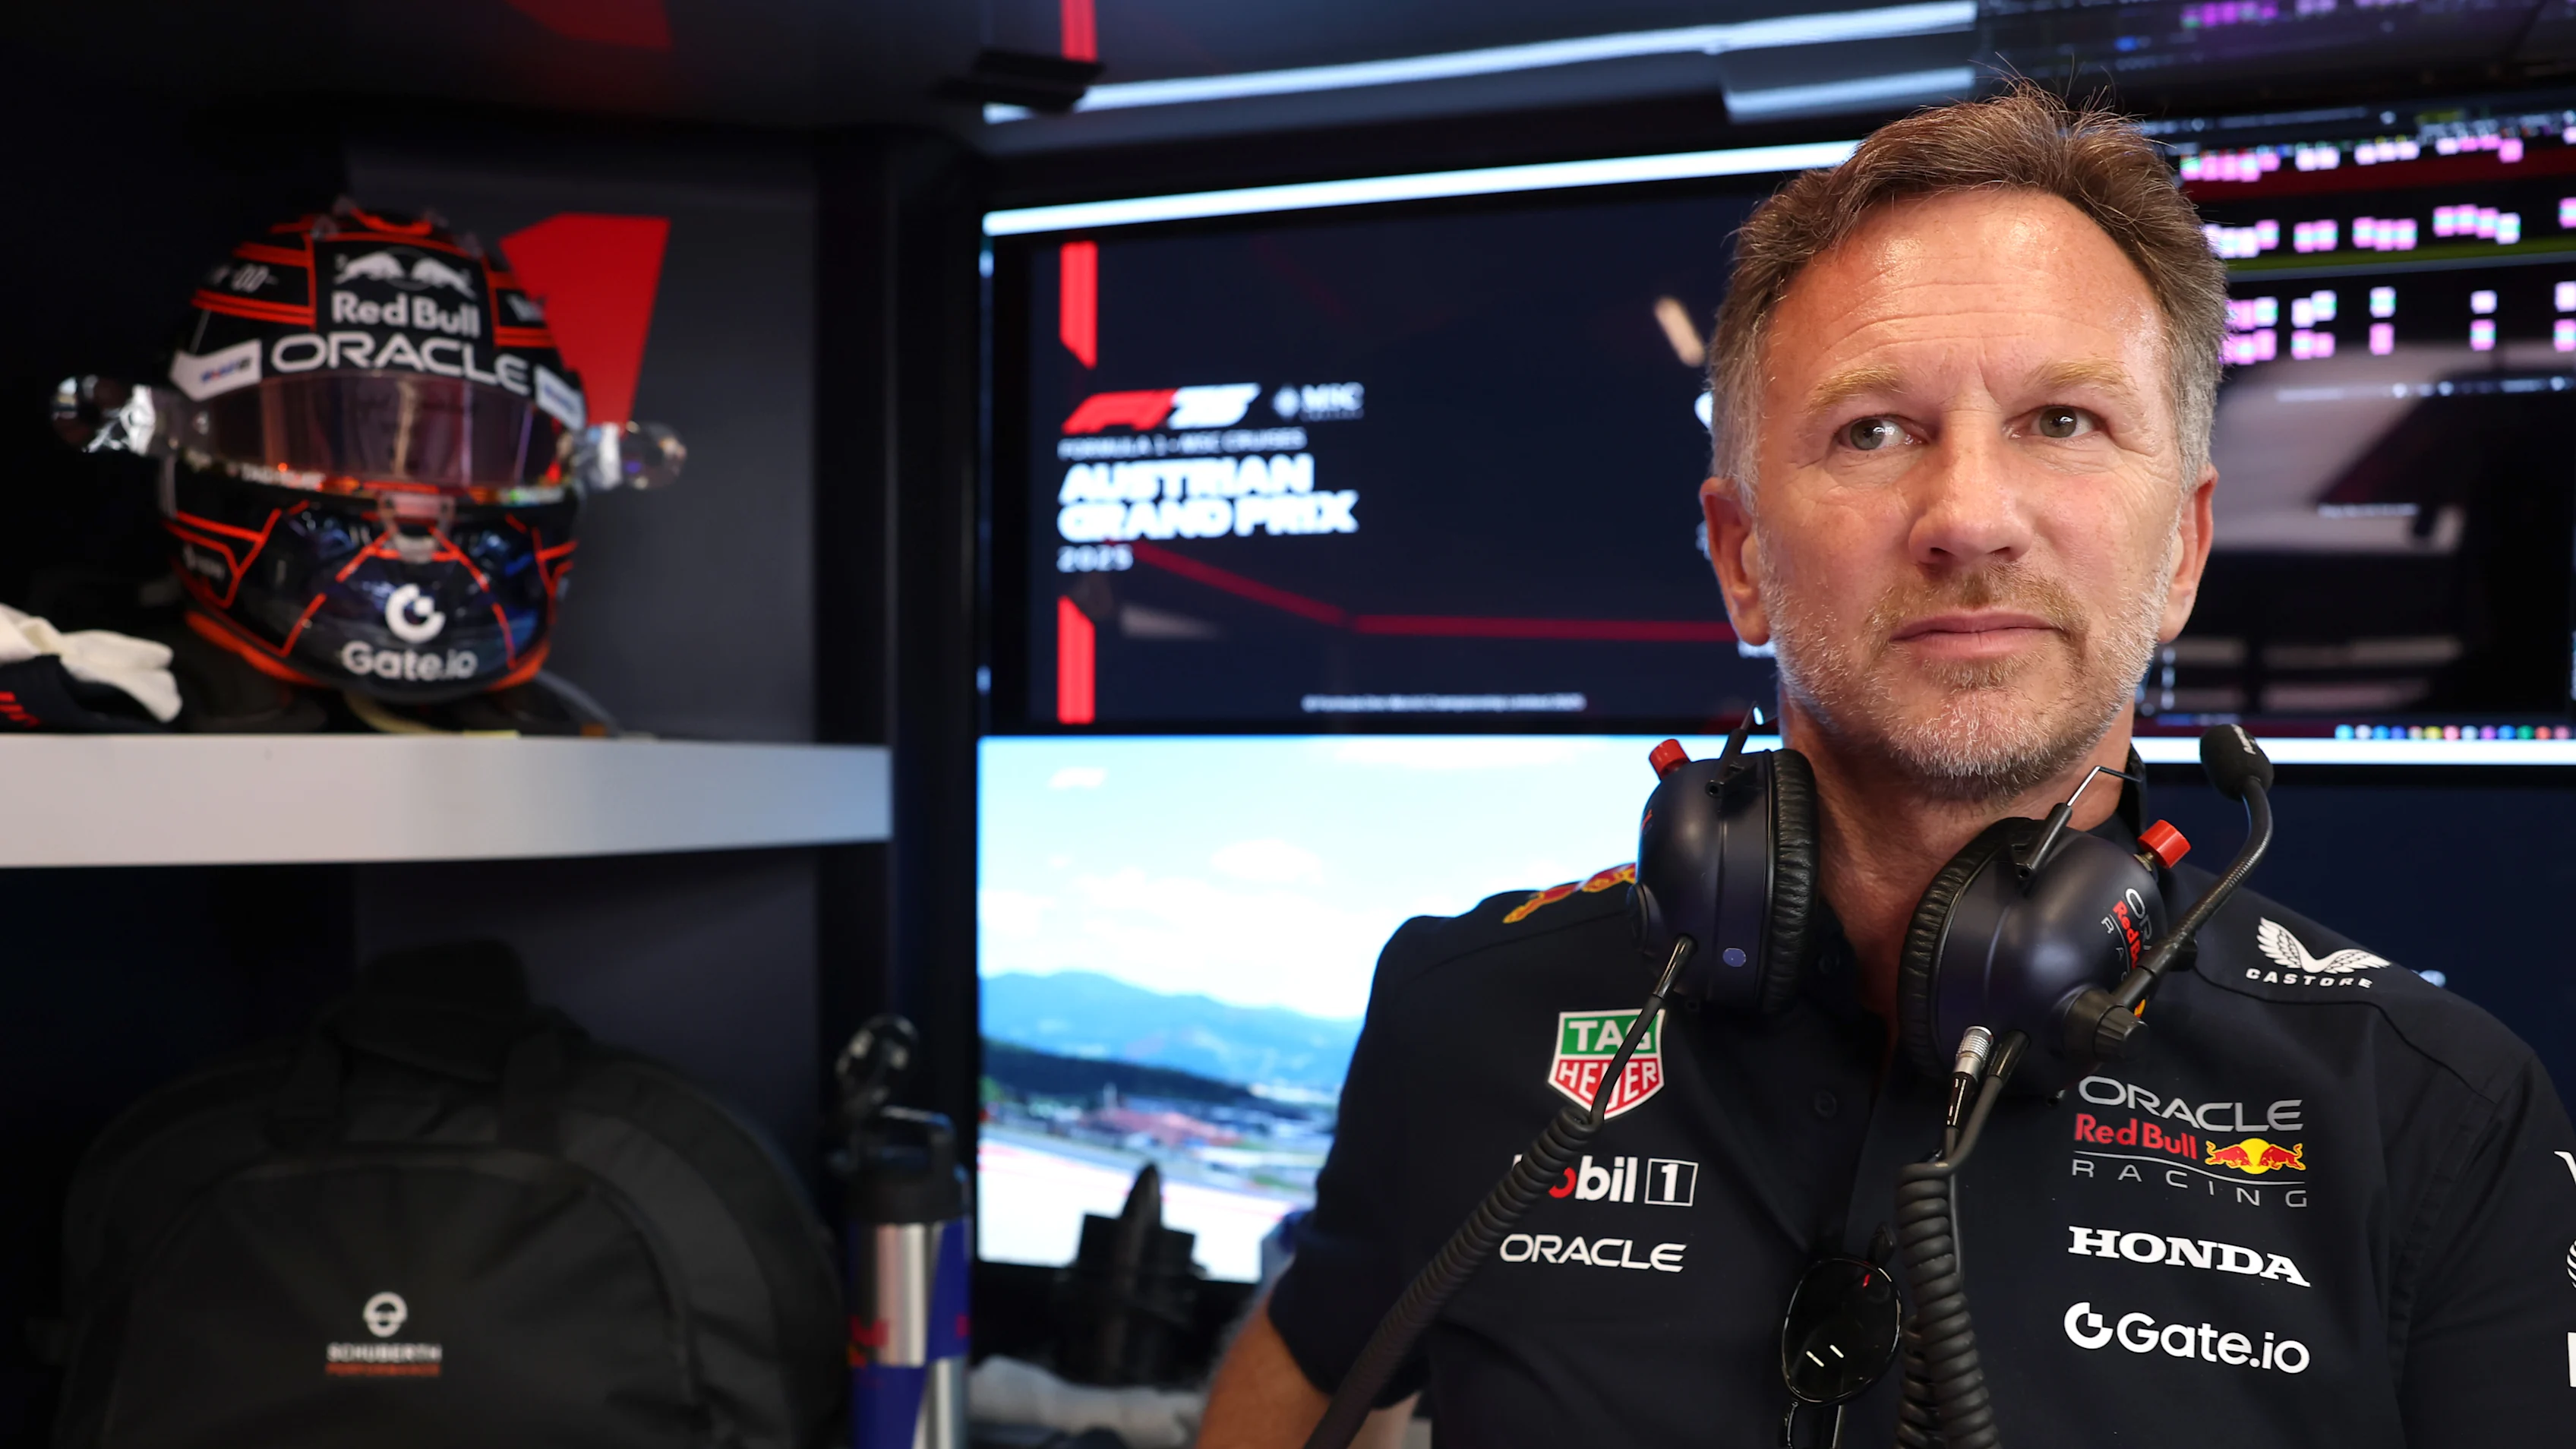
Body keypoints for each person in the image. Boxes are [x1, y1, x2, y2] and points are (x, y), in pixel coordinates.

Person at [1198, 85, 2576, 1447]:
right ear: (1742, 558)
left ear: (2184, 551)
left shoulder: (2436, 1118)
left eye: (2063, 421)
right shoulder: (1466, 1012)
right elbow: (1309, 1363)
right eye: (1873, 431)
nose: (1970, 516)